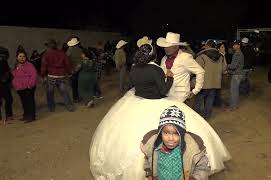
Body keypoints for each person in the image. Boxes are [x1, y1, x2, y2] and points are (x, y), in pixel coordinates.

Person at [89, 37, 231, 180]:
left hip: (143, 99)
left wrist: (194, 90)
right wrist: (169, 78)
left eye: (168, 46)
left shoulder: (134, 68)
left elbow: (134, 84)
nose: (164, 49)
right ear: (152, 55)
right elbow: (162, 90)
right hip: (160, 99)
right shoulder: (156, 66)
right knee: (172, 129)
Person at [140, 105, 209, 180]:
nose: (171, 138)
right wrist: (149, 174)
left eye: (176, 133)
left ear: (182, 134)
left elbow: (202, 167)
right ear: (160, 132)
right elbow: (148, 159)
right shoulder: (153, 147)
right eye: (166, 133)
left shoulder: (192, 149)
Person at [158, 32, 205, 102]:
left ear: (176, 47)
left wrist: (196, 90)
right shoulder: (164, 59)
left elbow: (200, 71)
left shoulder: (185, 57)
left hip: (180, 95)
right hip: (166, 94)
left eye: (169, 46)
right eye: (165, 46)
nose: (165, 48)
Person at [194, 40, 226, 119]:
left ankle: (195, 117)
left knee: (198, 100)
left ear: (207, 46)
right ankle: (207, 116)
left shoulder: (202, 56)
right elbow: (224, 69)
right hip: (215, 83)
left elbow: (196, 70)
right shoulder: (221, 56)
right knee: (210, 100)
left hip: (203, 83)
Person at [41, 39, 74, 112]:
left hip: (51, 76)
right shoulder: (62, 53)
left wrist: (43, 75)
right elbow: (67, 64)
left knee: (50, 93)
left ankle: (51, 108)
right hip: (61, 75)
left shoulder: (47, 54)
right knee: (64, 92)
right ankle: (70, 106)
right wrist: (69, 72)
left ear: (49, 46)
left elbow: (44, 65)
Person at [12, 50, 37, 122]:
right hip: (20, 88)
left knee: (30, 102)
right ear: (17, 57)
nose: (22, 58)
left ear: (26, 57)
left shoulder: (29, 65)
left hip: (28, 87)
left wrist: (30, 85)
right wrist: (16, 85)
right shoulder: (16, 66)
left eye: (23, 56)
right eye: (20, 56)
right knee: (24, 102)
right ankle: (26, 115)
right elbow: (14, 76)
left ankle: (31, 116)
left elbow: (34, 75)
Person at [227, 40, 244, 110]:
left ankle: (233, 106)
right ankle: (234, 104)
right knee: (235, 90)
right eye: (233, 45)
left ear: (239, 45)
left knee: (234, 90)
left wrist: (227, 66)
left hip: (237, 74)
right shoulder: (237, 52)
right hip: (238, 73)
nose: (233, 46)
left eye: (235, 45)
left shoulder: (238, 53)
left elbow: (234, 66)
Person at [67, 37, 83, 103]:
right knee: (80, 84)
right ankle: (81, 96)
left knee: (74, 85)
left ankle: (75, 98)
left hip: (73, 69)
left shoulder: (69, 50)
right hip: (81, 68)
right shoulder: (80, 49)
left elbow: (67, 59)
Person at [0, 46, 13, 123]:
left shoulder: (4, 61)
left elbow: (7, 71)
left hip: (5, 84)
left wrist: (7, 78)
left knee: (9, 99)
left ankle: (9, 115)